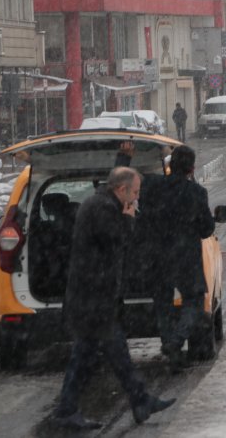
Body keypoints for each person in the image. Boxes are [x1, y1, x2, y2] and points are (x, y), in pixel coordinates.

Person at [50, 167, 175, 430]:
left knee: (102, 354)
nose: (136, 199)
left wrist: (125, 160)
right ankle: (72, 409)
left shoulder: (102, 202)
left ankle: (138, 400)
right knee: (99, 354)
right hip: (92, 299)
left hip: (93, 298)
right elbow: (115, 240)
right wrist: (129, 220)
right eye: (135, 193)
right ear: (121, 190)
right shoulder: (104, 208)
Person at [118, 143, 215, 373]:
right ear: (192, 169)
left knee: (163, 304)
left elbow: (122, 180)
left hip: (156, 257)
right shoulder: (197, 193)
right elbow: (206, 230)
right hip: (186, 259)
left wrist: (124, 156)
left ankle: (169, 345)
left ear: (170, 166)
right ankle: (175, 342)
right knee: (193, 302)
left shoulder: (152, 185)